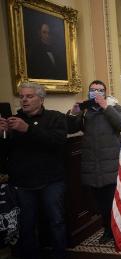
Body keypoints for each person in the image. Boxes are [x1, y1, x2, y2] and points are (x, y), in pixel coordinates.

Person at [0, 82, 67, 258]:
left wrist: (28, 129)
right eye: (22, 96)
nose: (24, 100)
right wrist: (3, 135)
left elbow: (57, 142)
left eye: (29, 96)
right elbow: (4, 154)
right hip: (22, 184)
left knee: (56, 222)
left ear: (41, 99)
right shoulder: (12, 121)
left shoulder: (55, 117)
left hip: (51, 181)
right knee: (26, 225)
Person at [67, 80, 121, 244]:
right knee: (100, 204)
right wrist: (74, 112)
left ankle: (118, 231)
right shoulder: (85, 111)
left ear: (105, 93)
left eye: (100, 90)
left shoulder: (114, 107)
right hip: (92, 166)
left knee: (113, 202)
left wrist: (106, 106)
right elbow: (70, 128)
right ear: (88, 93)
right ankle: (108, 230)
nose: (96, 93)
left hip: (111, 166)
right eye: (93, 90)